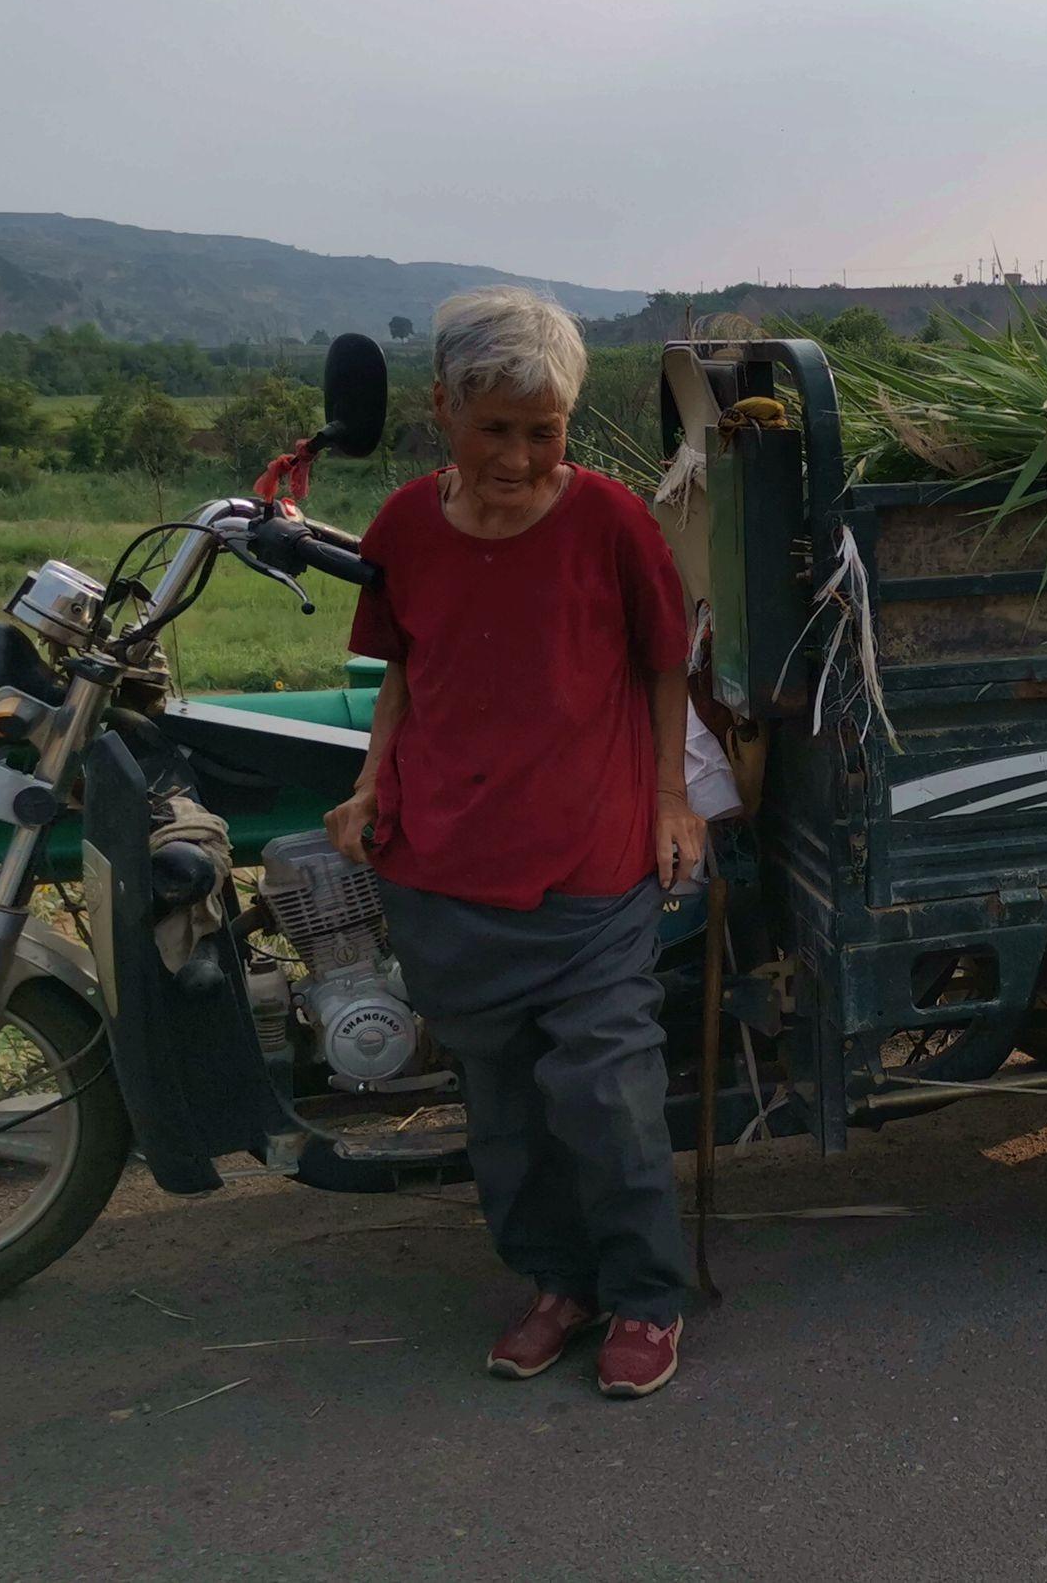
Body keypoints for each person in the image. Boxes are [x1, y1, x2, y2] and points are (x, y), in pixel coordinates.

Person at [324, 285, 705, 1398]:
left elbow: (664, 662)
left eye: (546, 432)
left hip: (588, 858)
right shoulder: (402, 527)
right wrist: (368, 781)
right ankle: (556, 1283)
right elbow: (406, 670)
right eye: (497, 428)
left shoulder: (609, 523)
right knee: (501, 1105)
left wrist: (672, 799)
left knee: (605, 1090)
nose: (523, 455)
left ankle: (644, 1296)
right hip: (444, 859)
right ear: (443, 408)